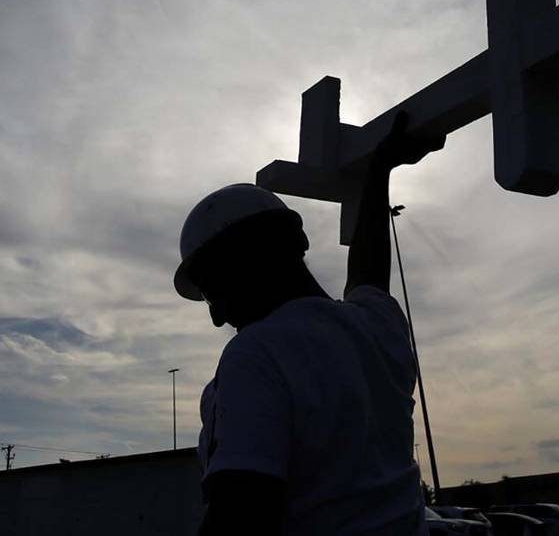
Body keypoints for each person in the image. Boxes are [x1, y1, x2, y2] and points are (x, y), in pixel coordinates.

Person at [174, 112, 444, 535]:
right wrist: (378, 170)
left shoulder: (257, 355)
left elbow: (242, 512)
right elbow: (370, 269)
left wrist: (378, 171)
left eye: (213, 292)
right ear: (298, 241)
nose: (216, 317)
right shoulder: (377, 329)